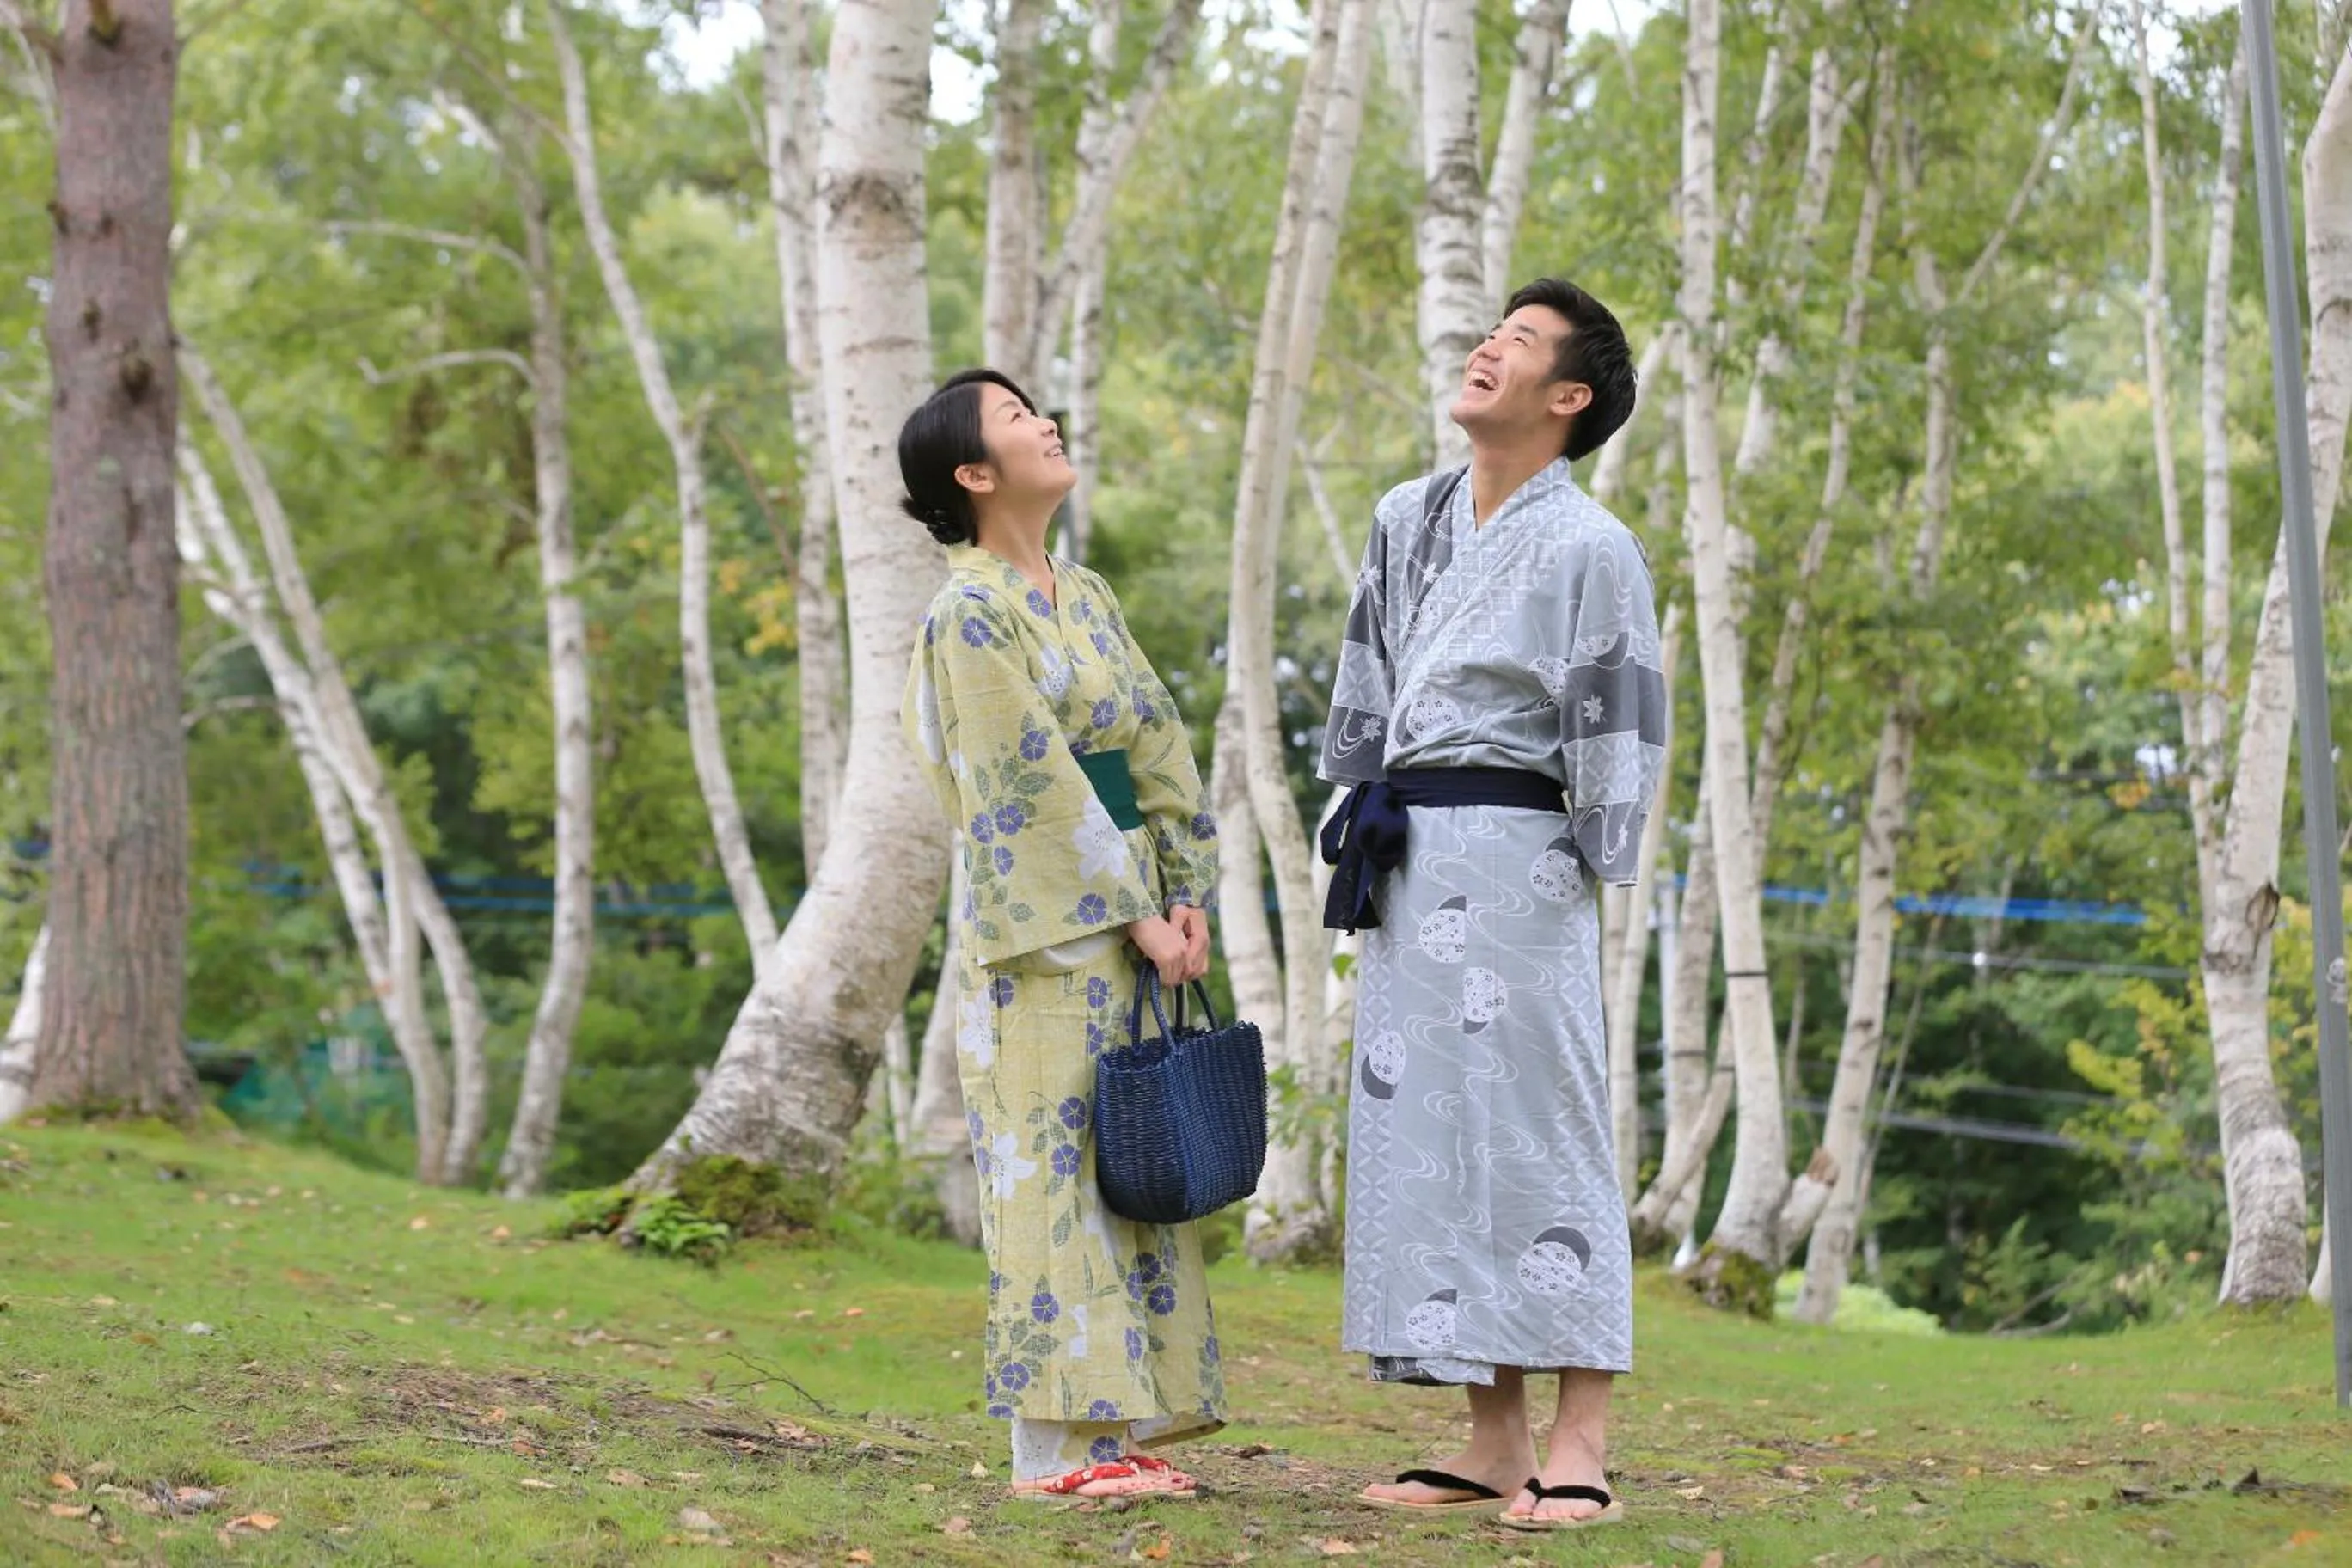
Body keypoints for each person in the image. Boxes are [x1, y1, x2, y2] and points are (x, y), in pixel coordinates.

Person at [1317, 279, 1664, 1531]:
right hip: (1409, 850)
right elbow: (1367, 675)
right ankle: (1491, 1437)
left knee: (1542, 1126)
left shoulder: (1592, 546)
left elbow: (1618, 720)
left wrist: (1592, 863)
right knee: (1432, 1140)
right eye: (1490, 332)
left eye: (1516, 343)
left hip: (1523, 854)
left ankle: (1582, 1435)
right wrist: (1352, 806)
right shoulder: (1406, 516)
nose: (1485, 348)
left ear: (1569, 398)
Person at [897, 369, 1225, 1503]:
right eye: (1013, 418)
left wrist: (1186, 896)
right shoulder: (967, 612)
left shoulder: (1084, 593)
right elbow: (1020, 780)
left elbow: (1158, 747)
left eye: (1040, 406)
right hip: (1042, 938)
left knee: (1131, 1161)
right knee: (1051, 1164)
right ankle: (1059, 1452)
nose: (1045, 421)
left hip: (1135, 918)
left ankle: (1121, 1432)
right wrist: (1133, 910)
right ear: (974, 475)